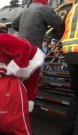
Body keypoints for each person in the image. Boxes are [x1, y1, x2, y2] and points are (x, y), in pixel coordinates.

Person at [12, 0, 61, 109]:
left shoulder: (25, 11)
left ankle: (14, 103)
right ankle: (26, 106)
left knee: (19, 78)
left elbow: (15, 24)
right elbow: (58, 23)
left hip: (20, 50)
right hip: (33, 51)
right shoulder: (44, 9)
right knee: (32, 80)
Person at [61, 2, 78, 135]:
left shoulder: (72, 9)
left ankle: (67, 131)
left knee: (76, 96)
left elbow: (60, 30)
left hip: (70, 54)